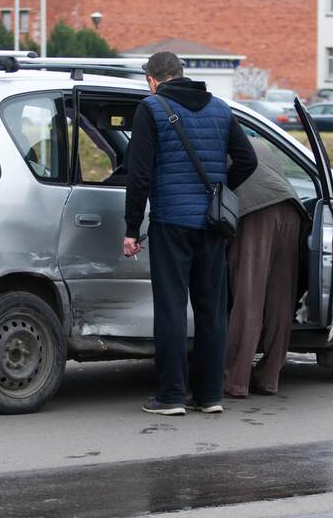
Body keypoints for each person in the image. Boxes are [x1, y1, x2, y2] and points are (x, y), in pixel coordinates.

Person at [123, 52, 257, 416]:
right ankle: (211, 395)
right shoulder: (220, 108)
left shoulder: (151, 108)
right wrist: (220, 190)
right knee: (212, 311)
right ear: (182, 74)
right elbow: (248, 160)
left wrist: (132, 228)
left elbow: (139, 176)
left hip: (171, 222)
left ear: (152, 80)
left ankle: (170, 396)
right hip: (213, 226)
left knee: (171, 309)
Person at [223, 138, 304, 398]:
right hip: (291, 211)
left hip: (255, 212)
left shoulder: (214, 141)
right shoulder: (257, 142)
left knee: (249, 297)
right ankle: (269, 377)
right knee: (280, 300)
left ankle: (235, 380)